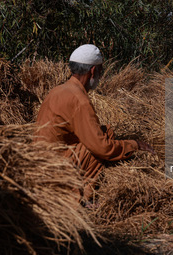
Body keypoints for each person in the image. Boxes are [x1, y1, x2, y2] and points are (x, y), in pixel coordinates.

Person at [34, 44, 154, 204]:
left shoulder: (58, 90)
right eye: (100, 71)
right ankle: (75, 198)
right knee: (101, 143)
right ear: (92, 71)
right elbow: (102, 148)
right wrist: (133, 145)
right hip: (56, 169)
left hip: (38, 163)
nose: (100, 76)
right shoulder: (79, 99)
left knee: (104, 133)